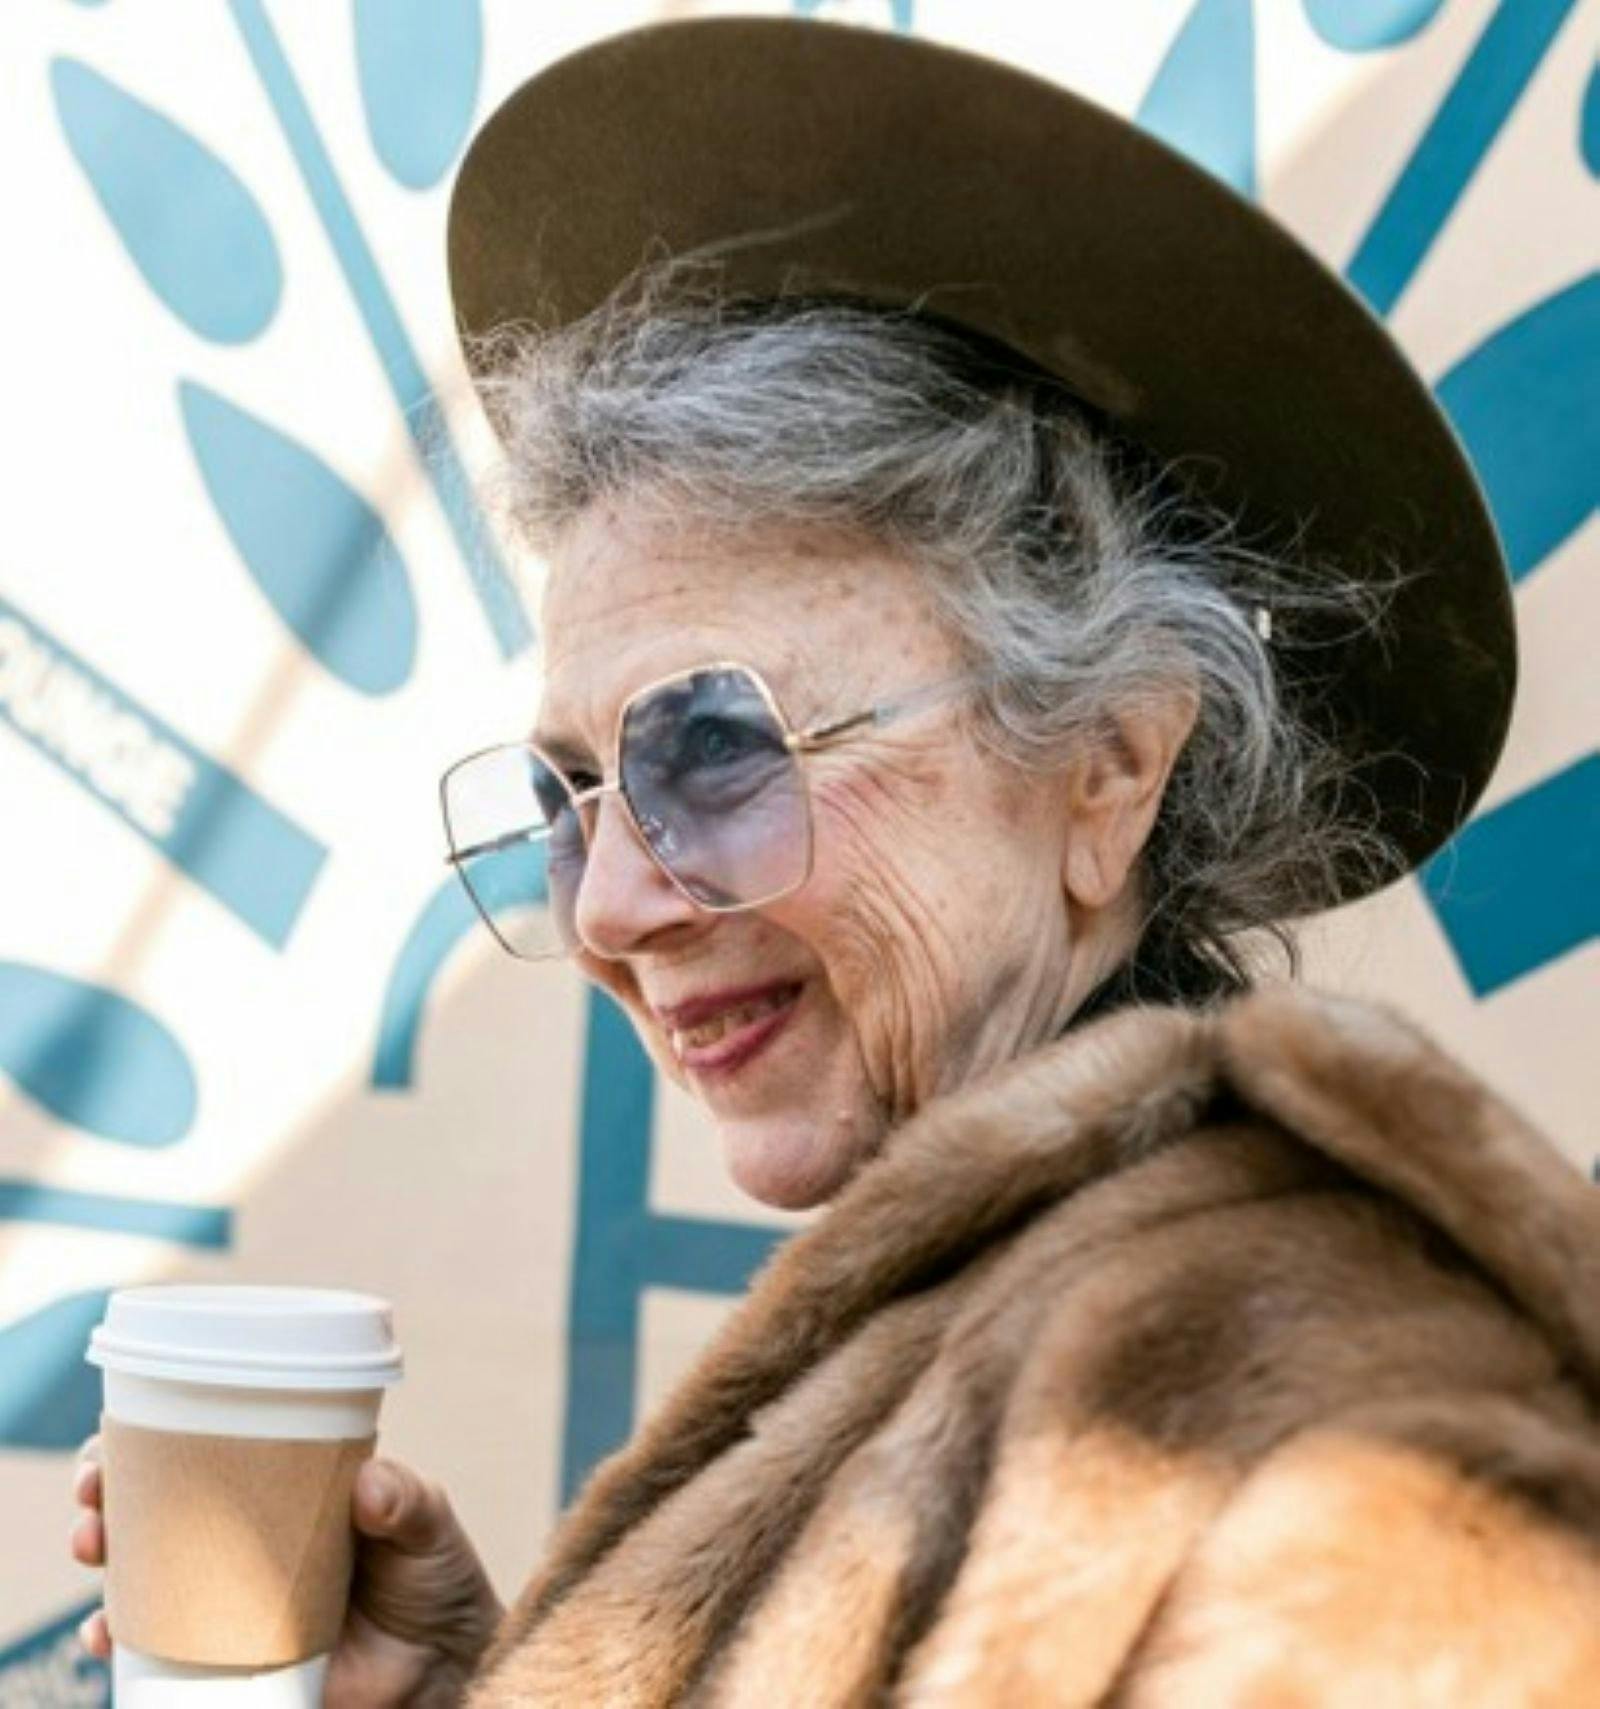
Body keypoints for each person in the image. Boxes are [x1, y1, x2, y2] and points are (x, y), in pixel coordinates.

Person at [72, 18, 1600, 1704]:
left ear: (1108, 768)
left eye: (712, 748)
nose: (606, 905)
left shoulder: (1330, 1438)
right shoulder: (994, 1312)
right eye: (570, 789)